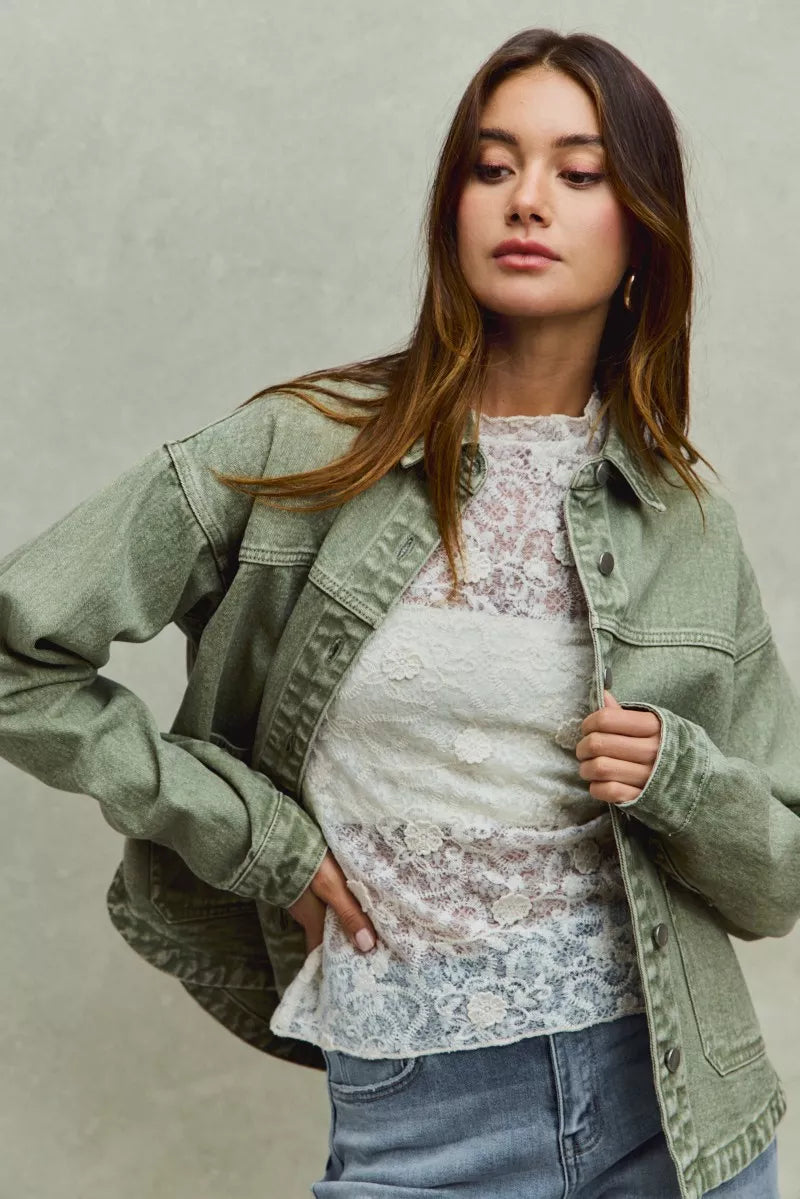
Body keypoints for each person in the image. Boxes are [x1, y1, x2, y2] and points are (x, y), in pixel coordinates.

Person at [0, 26, 795, 1199]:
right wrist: (258, 838)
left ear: (640, 232)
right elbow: (19, 657)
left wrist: (676, 774)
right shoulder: (304, 448)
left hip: (678, 1119)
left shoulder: (682, 518)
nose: (525, 200)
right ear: (451, 208)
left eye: (577, 173)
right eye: (491, 166)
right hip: (424, 1117)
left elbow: (776, 875)